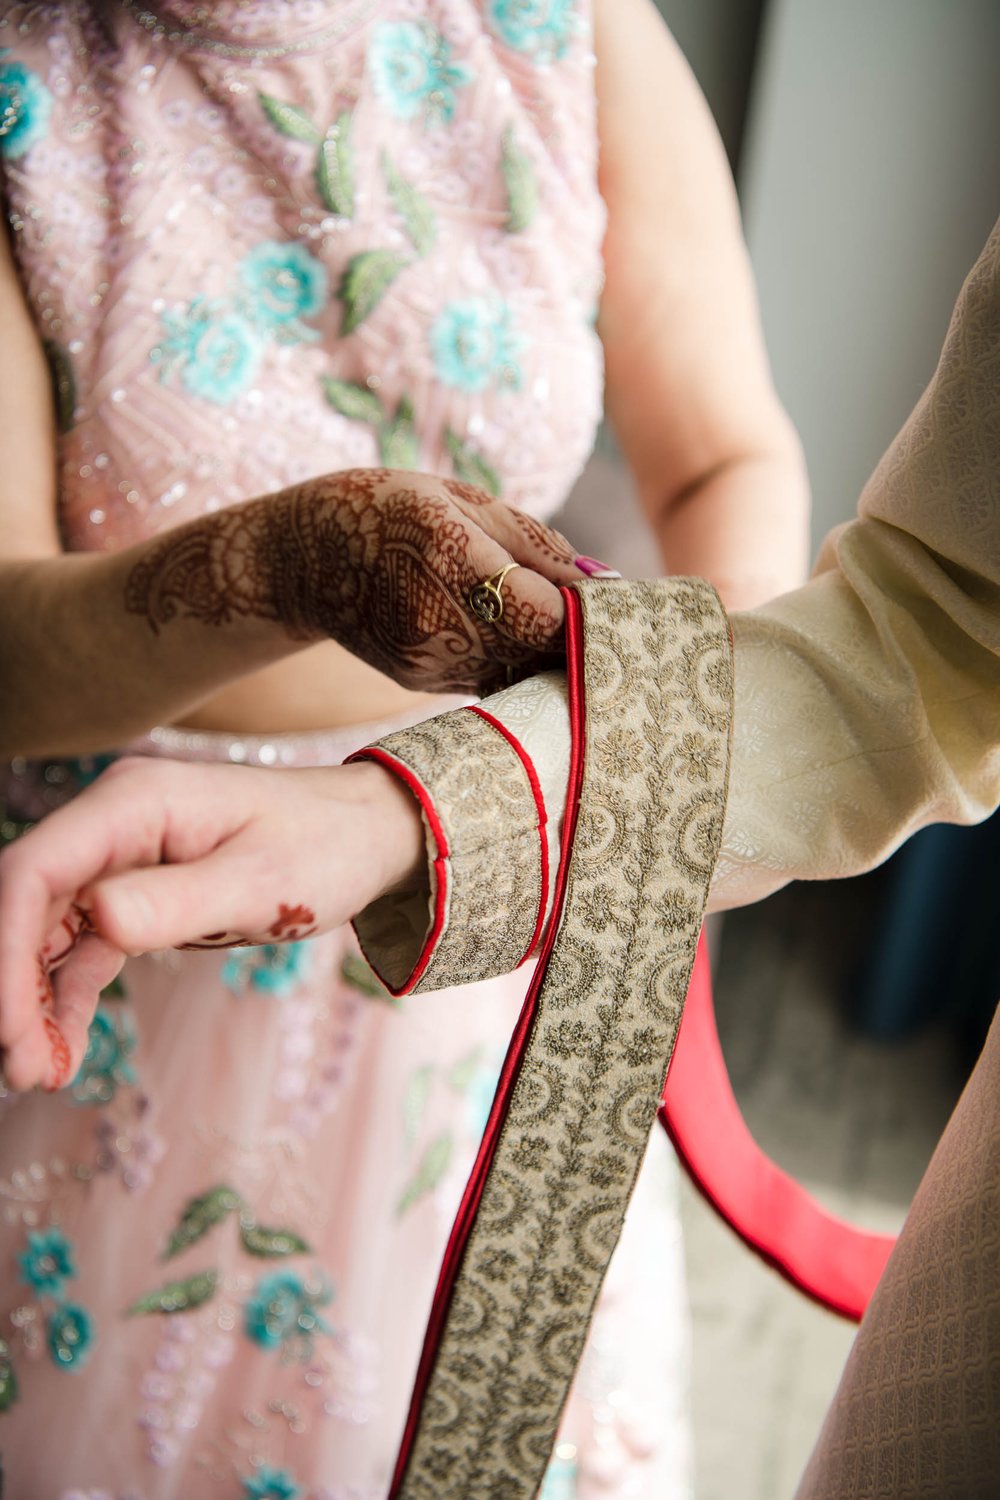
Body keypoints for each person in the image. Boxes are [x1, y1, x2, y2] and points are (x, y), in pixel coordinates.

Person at [5, 210, 999, 1499]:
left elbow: (735, 471)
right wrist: (294, 575)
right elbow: (936, 633)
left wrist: (660, 744)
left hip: (497, 968)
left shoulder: (573, 23)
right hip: (130, 924)